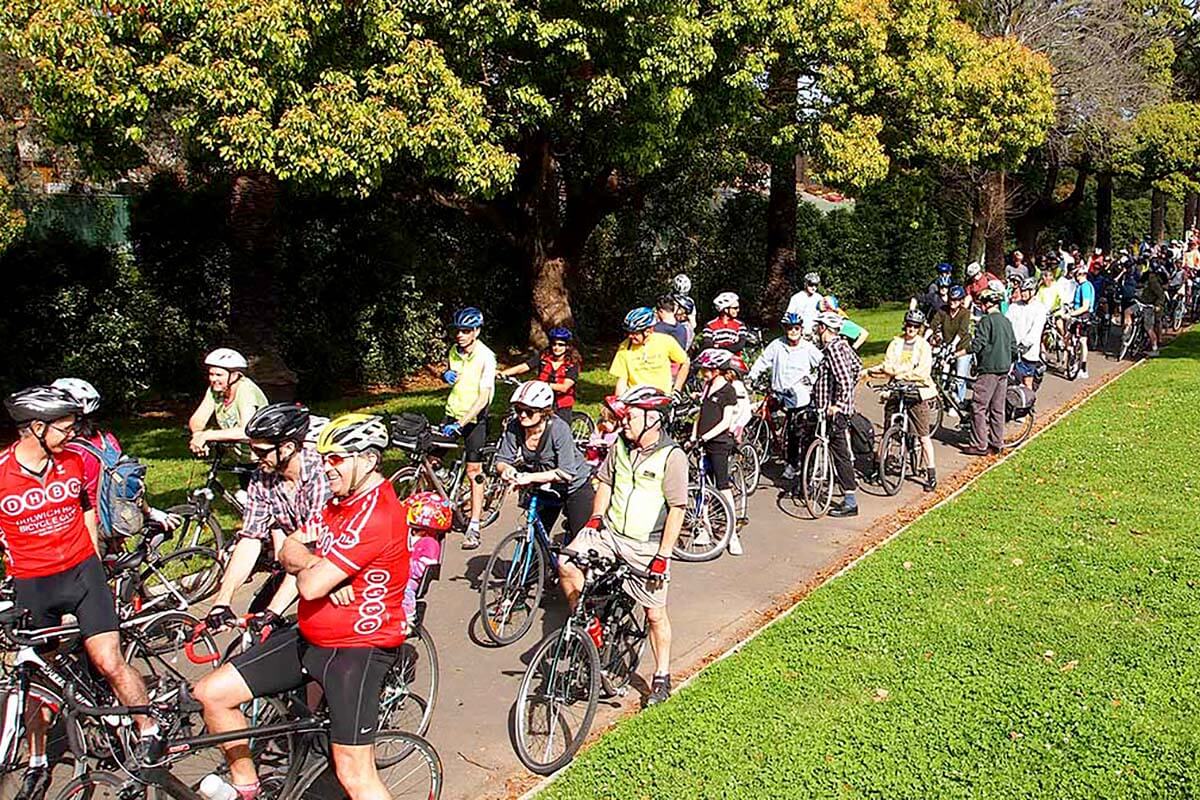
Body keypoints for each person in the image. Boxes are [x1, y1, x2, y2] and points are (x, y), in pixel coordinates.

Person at [194, 414, 409, 800]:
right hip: (309, 636)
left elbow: (308, 587)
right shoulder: (335, 502)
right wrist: (314, 563)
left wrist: (311, 567)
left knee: (354, 774)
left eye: (337, 458)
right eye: (324, 457)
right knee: (212, 693)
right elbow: (287, 548)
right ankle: (247, 789)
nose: (326, 467)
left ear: (369, 460)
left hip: (356, 649)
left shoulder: (376, 514)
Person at [1, 386, 161, 800]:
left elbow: (87, 507)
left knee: (108, 660)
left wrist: (91, 559)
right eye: (65, 426)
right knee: (37, 677)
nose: (73, 432)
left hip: (82, 574)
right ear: (36, 428)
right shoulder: (1, 472)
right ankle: (37, 761)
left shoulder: (75, 460)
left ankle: (149, 728)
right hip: (34, 583)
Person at [558, 385, 686, 707]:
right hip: (609, 534)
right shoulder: (620, 447)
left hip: (647, 546)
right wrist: (596, 517)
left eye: (629, 416)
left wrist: (663, 556)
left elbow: (677, 509)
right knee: (566, 563)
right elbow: (605, 482)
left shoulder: (672, 457)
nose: (623, 421)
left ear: (652, 419)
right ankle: (589, 625)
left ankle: (661, 676)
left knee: (654, 614)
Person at [204, 403, 332, 635]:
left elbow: (311, 551)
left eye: (262, 451)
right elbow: (251, 538)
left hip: (330, 562)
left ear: (288, 448)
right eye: (252, 449)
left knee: (313, 635)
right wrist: (222, 601)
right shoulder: (263, 477)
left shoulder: (320, 475)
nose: (254, 457)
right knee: (256, 619)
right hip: (297, 558)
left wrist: (274, 611)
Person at [49, 378, 181, 552]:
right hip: (116, 519)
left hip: (88, 530)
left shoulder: (69, 453)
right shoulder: (107, 440)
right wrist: (150, 512)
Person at [494, 381, 596, 542]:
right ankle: (534, 564)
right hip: (546, 486)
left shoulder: (558, 428)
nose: (522, 416)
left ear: (543, 412)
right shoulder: (515, 426)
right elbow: (502, 460)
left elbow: (566, 472)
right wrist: (507, 470)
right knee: (533, 539)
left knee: (580, 543)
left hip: (574, 486)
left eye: (528, 412)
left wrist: (529, 477)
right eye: (518, 410)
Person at [865, 309, 939, 491]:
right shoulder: (896, 343)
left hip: (917, 392)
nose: (911, 329)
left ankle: (931, 474)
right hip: (897, 388)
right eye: (909, 325)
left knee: (923, 436)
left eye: (916, 326)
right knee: (887, 430)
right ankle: (877, 467)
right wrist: (899, 371)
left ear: (920, 328)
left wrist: (899, 372)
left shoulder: (924, 346)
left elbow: (922, 372)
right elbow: (888, 365)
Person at [441, 307, 496, 550]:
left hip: (473, 418)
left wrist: (462, 423)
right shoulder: (454, 351)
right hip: (452, 411)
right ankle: (446, 485)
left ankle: (473, 525)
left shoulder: (486, 356)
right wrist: (446, 375)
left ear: (476, 331)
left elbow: (484, 397)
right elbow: (456, 376)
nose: (460, 336)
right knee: (431, 460)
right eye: (457, 331)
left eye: (465, 331)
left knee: (474, 470)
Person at [748, 311, 824, 480]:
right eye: (790, 328)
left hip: (799, 395)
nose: (793, 331)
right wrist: (752, 375)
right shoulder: (777, 345)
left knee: (794, 430)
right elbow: (763, 361)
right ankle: (768, 445)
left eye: (796, 328)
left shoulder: (808, 347)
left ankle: (793, 464)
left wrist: (811, 380)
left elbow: (822, 365)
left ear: (801, 329)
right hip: (779, 391)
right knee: (766, 414)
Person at [691, 349, 743, 555]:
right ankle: (704, 527)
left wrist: (706, 437)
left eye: (707, 370)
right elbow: (700, 416)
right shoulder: (707, 387)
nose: (704, 373)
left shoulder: (728, 391)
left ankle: (732, 535)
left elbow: (726, 421)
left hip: (719, 443)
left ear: (717, 370)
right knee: (703, 486)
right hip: (703, 443)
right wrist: (694, 437)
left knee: (723, 486)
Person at [812, 312, 862, 518]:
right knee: (836, 450)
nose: (816, 330)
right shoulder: (843, 345)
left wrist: (839, 403)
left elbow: (845, 379)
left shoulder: (833, 348)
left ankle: (850, 500)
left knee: (840, 453)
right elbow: (858, 368)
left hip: (834, 411)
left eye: (818, 327)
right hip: (829, 407)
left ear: (823, 328)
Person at [963, 290, 1017, 456]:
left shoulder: (986, 321)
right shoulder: (1006, 321)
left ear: (986, 304)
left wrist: (960, 353)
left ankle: (979, 444)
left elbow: (978, 344)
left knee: (978, 406)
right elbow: (1013, 347)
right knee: (997, 408)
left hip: (988, 369)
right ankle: (996, 442)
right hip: (1003, 369)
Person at [188, 348, 269, 457]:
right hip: (239, 457)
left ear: (236, 375)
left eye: (219, 375)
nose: (213, 379)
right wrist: (198, 435)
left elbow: (246, 431)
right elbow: (198, 419)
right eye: (211, 374)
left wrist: (207, 435)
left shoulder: (246, 390)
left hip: (261, 458)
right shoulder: (215, 390)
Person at [499, 327, 582, 425]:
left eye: (561, 345)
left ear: (567, 346)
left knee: (560, 430)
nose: (556, 348)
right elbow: (525, 366)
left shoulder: (572, 364)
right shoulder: (544, 356)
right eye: (554, 344)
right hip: (541, 399)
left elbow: (564, 387)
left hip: (561, 403)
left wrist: (542, 384)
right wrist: (504, 373)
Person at [610, 306, 690, 396]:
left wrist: (676, 390)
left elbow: (685, 362)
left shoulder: (666, 341)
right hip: (636, 397)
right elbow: (622, 379)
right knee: (634, 411)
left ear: (648, 331)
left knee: (654, 411)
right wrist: (619, 401)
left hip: (661, 396)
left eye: (635, 333)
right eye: (629, 333)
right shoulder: (625, 347)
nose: (630, 336)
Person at [400, 491, 451, 627]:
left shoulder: (429, 544)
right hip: (400, 572)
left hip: (410, 580)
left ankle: (408, 616)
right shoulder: (414, 538)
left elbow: (422, 569)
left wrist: (404, 563)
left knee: (405, 591)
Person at [926, 285, 973, 405]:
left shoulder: (965, 313)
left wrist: (953, 344)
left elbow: (962, 331)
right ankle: (940, 398)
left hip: (961, 347)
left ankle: (959, 402)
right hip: (947, 345)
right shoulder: (943, 310)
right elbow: (933, 325)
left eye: (956, 300)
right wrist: (923, 339)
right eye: (951, 299)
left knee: (959, 377)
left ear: (961, 301)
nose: (953, 302)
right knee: (940, 373)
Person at [1006, 278, 1048, 391]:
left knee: (1027, 381)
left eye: (1026, 291)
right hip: (1012, 350)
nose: (1023, 293)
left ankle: (1028, 405)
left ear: (1033, 292)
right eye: (1022, 290)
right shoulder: (1014, 307)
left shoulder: (1039, 309)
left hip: (1028, 352)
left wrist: (1023, 344)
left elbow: (1036, 331)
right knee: (1008, 380)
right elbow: (1007, 323)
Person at [1065, 265, 1095, 378]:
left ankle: (1083, 368)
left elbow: (1085, 306)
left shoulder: (1085, 287)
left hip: (1083, 316)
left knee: (1082, 341)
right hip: (1077, 313)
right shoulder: (1079, 286)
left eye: (1077, 274)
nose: (1075, 277)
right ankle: (1072, 357)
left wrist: (1071, 314)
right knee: (1068, 337)